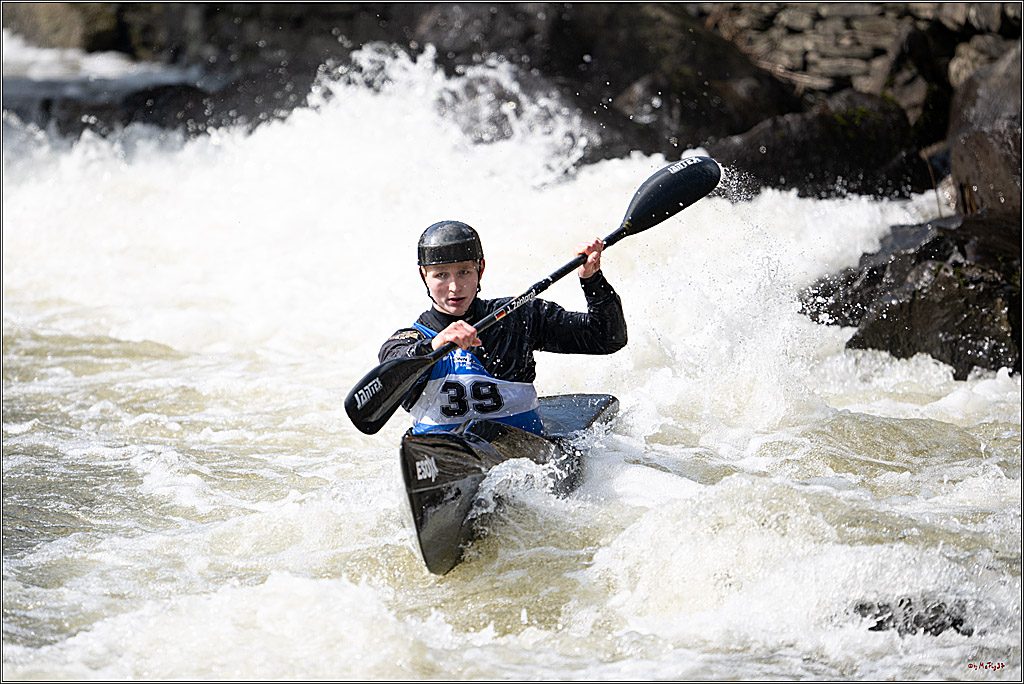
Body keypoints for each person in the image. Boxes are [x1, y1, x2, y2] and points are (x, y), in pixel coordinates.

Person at [379, 220, 627, 434]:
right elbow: (391, 370)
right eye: (441, 275)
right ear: (424, 275)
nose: (454, 287)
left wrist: (591, 279)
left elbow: (606, 338)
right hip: (441, 456)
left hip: (522, 447)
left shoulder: (518, 316)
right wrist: (435, 344)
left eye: (464, 272)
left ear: (481, 269)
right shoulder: (409, 340)